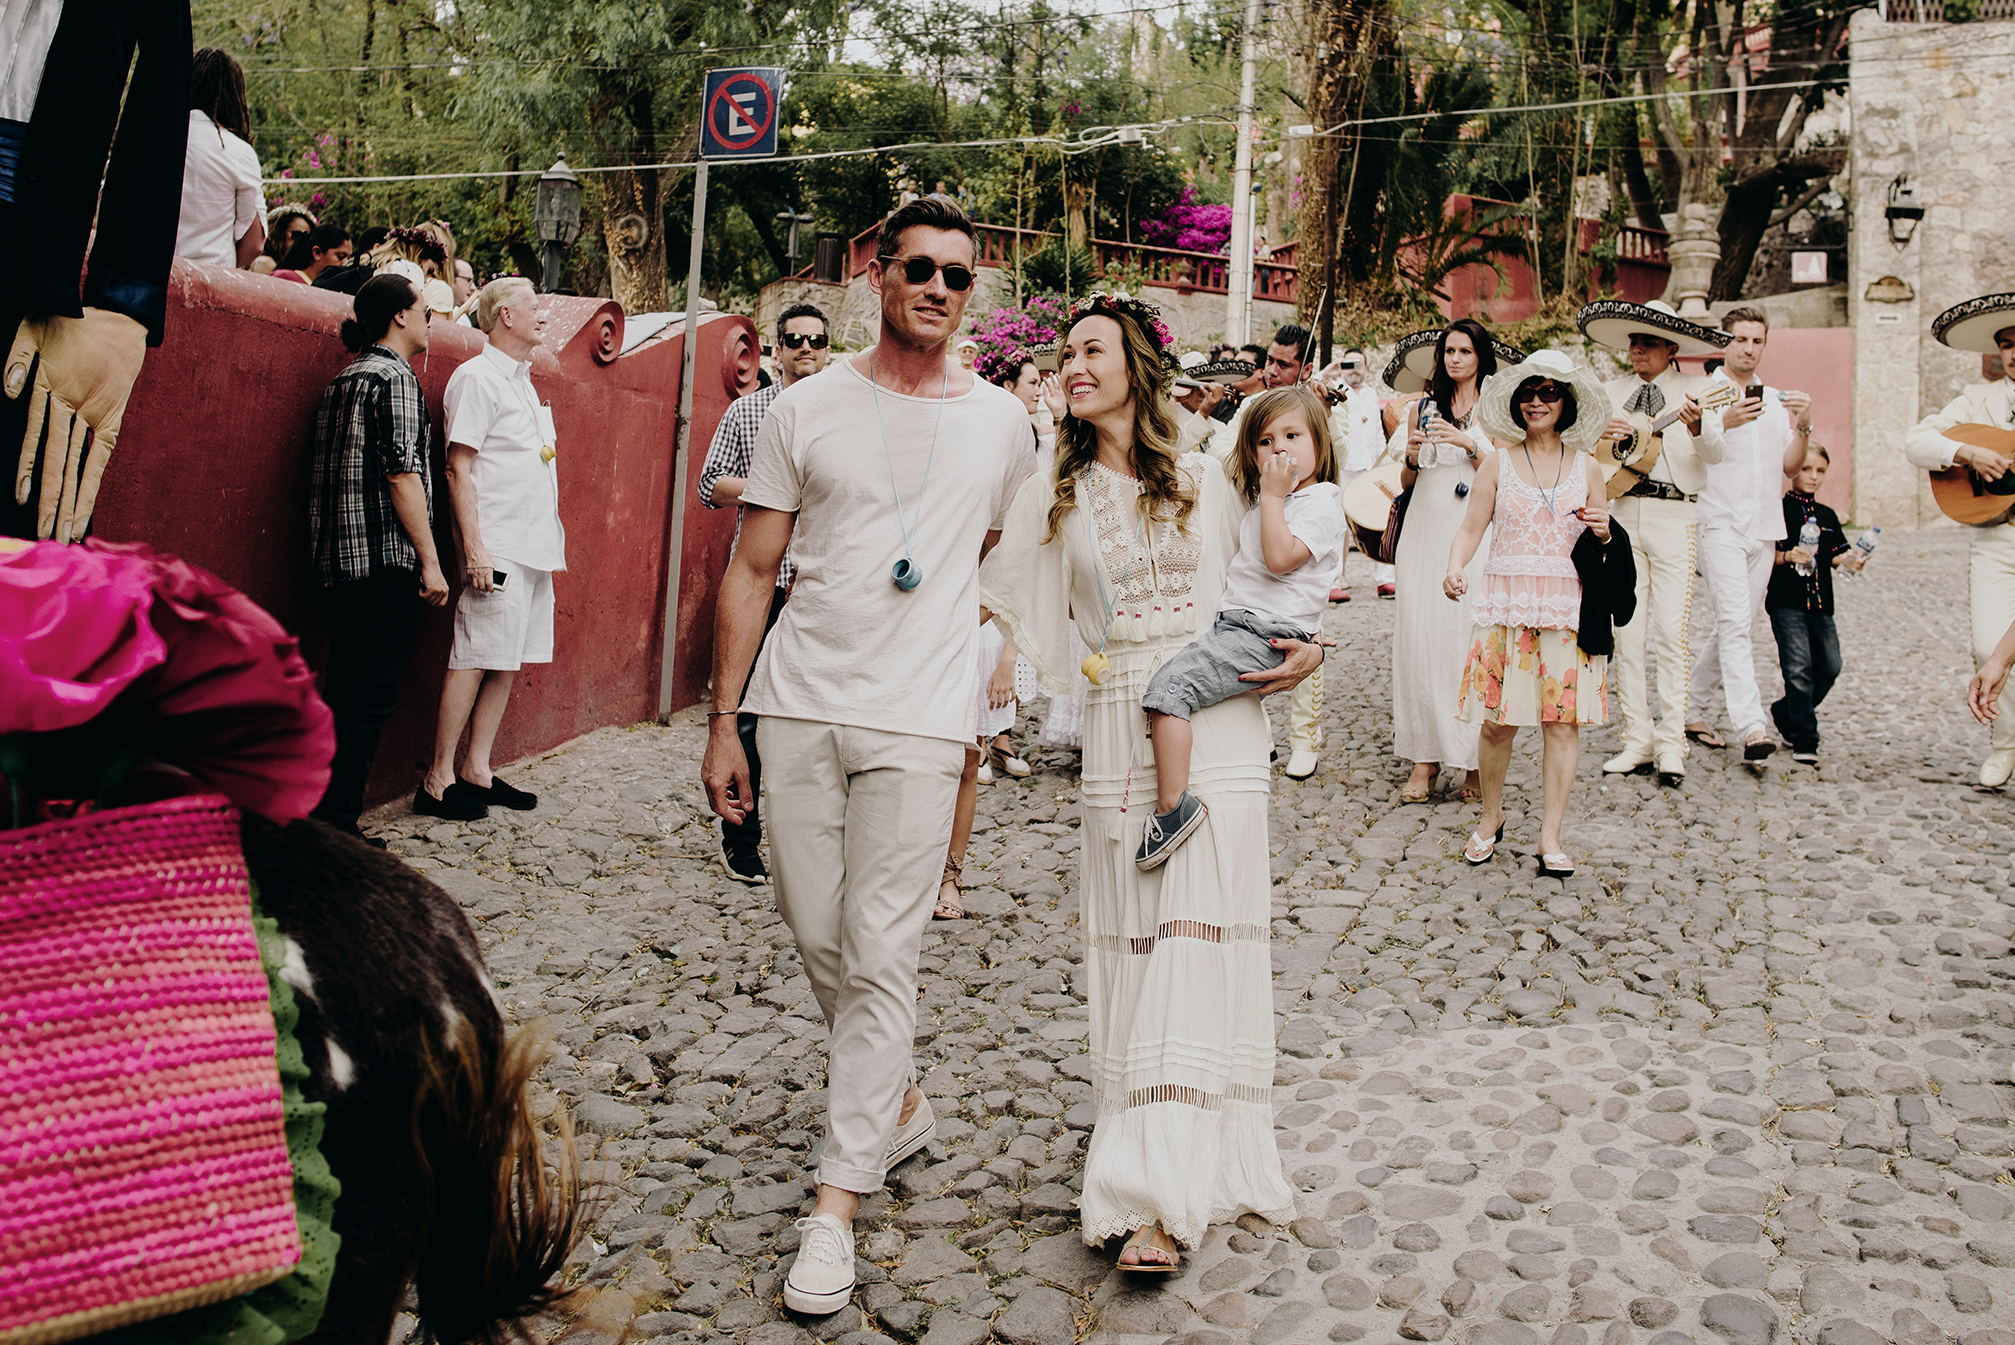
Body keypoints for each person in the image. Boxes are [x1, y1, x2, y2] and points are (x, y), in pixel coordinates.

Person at [700, 198, 1036, 1316]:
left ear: (969, 291)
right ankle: (894, 1098)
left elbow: (981, 547)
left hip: (919, 718)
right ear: (877, 277)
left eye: (956, 274)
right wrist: (723, 720)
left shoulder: (1001, 426)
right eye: (919, 269)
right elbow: (752, 571)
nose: (937, 288)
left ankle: (834, 1207)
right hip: (797, 703)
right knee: (813, 926)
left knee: (883, 949)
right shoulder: (804, 407)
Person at [978, 291, 1321, 1274]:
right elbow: (1002, 585)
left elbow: (1266, 583)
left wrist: (1304, 649)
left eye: (1090, 350)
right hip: (1117, 715)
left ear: (1133, 361)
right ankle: (1142, 1160)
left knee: (1194, 942)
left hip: (1215, 712)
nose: (1071, 366)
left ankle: (1163, 1196)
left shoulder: (1208, 466)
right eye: (1063, 354)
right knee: (1138, 945)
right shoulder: (1051, 483)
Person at [1138, 385, 1342, 868]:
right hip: (1238, 626)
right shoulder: (1262, 500)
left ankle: (1173, 808)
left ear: (1321, 444)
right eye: (1266, 442)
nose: (1280, 450)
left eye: (1293, 436)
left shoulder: (1321, 502)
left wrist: (1273, 497)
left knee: (1168, 691)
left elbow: (1279, 559)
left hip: (1263, 633)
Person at [1444, 350, 1614, 878]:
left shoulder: (1589, 466)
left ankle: (1550, 835)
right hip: (1506, 604)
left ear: (1566, 402)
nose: (1537, 402)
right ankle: (1491, 817)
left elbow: (1601, 539)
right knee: (1498, 724)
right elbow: (1473, 525)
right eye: (1528, 394)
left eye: (1549, 393)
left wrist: (1605, 531)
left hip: (1566, 607)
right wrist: (1455, 566)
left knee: (1560, 725)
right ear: (1516, 403)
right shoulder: (1496, 461)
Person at [305, 274, 449, 841]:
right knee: (369, 699)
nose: (430, 320)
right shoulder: (395, 379)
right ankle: (337, 825)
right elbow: (400, 472)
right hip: (385, 564)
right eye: (423, 310)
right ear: (399, 318)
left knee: (343, 691)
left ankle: (326, 817)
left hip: (338, 564)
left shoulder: (345, 379)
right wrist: (431, 562)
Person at [415, 277, 565, 822]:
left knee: (506, 659)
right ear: (504, 316)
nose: (543, 315)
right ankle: (436, 779)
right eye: (533, 306)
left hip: (533, 546)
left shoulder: (521, 380)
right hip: (496, 545)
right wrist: (473, 549)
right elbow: (459, 466)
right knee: (475, 654)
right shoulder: (476, 378)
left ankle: (477, 768)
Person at [696, 301, 833, 884]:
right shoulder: (749, 411)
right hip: (763, 585)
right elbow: (710, 483)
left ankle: (813, 841)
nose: (806, 347)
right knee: (746, 722)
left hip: (823, 589)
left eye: (816, 340)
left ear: (828, 349)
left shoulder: (846, 413)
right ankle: (741, 838)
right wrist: (770, 488)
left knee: (817, 720)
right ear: (778, 350)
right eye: (795, 339)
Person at [1577, 299, 1729, 787]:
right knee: (1630, 630)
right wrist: (1602, 432)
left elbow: (1716, 453)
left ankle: (1671, 743)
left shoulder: (1701, 390)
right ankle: (1636, 738)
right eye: (1633, 342)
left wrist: (1697, 425)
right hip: (1620, 511)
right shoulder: (1610, 391)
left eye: (1647, 343)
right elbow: (1583, 448)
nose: (1637, 349)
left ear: (1671, 348)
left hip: (1675, 512)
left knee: (1670, 629)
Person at [1684, 306, 1812, 759]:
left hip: (1763, 527)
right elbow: (1697, 450)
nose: (1749, 348)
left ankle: (1691, 706)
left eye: (1757, 341)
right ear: (1726, 342)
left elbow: (1790, 467)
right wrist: (1724, 421)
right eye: (1740, 339)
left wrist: (1805, 424)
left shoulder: (1775, 400)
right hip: (1717, 522)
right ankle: (1751, 726)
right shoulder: (1706, 394)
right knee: (1736, 623)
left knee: (1735, 624)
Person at [1207, 324, 1329, 781]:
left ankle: (1304, 738)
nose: (1272, 371)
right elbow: (1222, 453)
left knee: (1300, 638)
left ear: (1306, 367)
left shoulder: (1318, 411)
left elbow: (1335, 471)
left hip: (1302, 549)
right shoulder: (1253, 407)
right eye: (1270, 361)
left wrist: (1321, 415)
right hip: (1251, 533)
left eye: (1284, 364)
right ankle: (1261, 736)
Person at [1389, 320, 1503, 803]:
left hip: (1474, 534)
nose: (1456, 358)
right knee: (1421, 640)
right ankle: (1424, 758)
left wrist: (1467, 443)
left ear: (1481, 357)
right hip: (1424, 531)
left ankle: (1475, 763)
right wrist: (1412, 455)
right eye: (1449, 350)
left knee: (1468, 640)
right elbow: (1404, 482)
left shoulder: (1498, 409)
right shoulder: (1420, 407)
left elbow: (1505, 474)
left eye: (1465, 350)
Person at [1906, 294, 2015, 787]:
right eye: (2006, 345)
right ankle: (2005, 743)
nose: (2013, 353)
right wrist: (1967, 451)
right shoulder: (1978, 400)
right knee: (1986, 644)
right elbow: (1917, 442)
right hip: (1997, 538)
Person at [1768, 446, 1859, 764]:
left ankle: (1785, 710)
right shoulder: (1777, 511)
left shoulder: (1828, 516)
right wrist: (1788, 555)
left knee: (1831, 666)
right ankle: (1805, 737)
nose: (1813, 477)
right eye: (1806, 469)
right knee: (1798, 670)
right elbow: (1766, 558)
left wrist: (1852, 561)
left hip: (1821, 604)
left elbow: (1837, 555)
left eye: (1820, 471)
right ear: (1793, 470)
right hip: (1786, 603)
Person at [175, 48, 266, 270]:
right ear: (234, 96)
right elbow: (255, 243)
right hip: (209, 281)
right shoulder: (237, 152)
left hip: (145, 277)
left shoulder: (146, 137)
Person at [1329, 348, 1392, 600]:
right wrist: (1333, 374)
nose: (1355, 369)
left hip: (1369, 465)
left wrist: (1381, 462)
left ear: (1366, 368)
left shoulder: (1370, 394)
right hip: (1343, 466)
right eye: (1349, 365)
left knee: (1380, 520)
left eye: (1359, 364)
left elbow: (1377, 430)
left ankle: (1385, 579)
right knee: (1337, 526)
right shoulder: (1335, 388)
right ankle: (1334, 581)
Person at [273, 223, 352, 285]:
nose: (345, 264)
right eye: (340, 257)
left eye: (348, 258)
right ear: (317, 253)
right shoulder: (285, 278)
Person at [251, 203, 315, 275]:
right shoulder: (266, 263)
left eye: (306, 239)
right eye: (296, 235)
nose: (300, 241)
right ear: (280, 232)